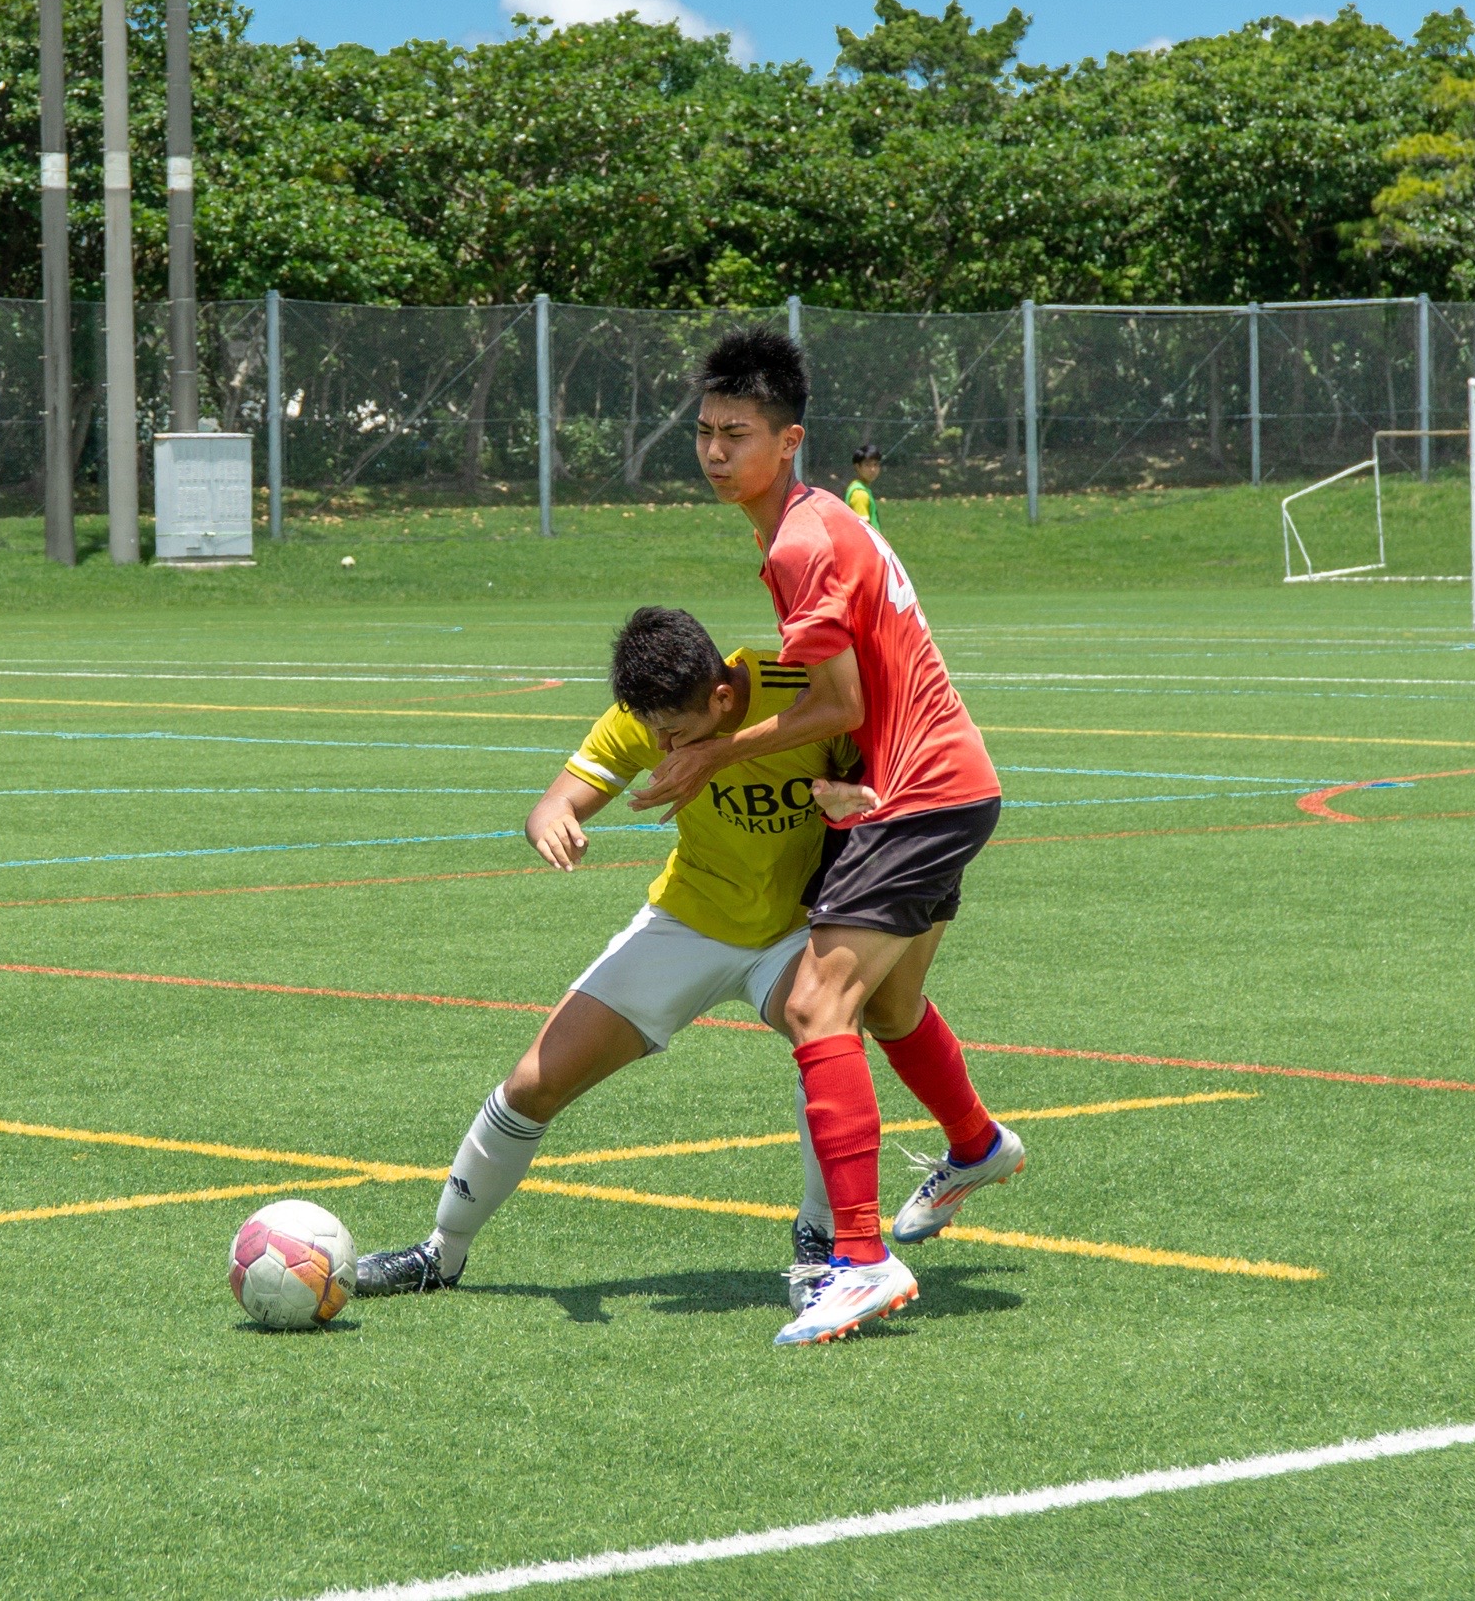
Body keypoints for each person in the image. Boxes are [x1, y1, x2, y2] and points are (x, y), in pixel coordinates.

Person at [631, 327, 1017, 1348]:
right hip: (930, 785)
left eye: (737, 434)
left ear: (788, 440)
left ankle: (857, 1258)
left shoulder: (802, 541)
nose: (716, 452)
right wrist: (834, 778)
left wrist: (716, 754)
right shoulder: (811, 525)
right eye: (704, 432)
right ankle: (975, 1145)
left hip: (921, 793)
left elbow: (836, 699)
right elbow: (853, 701)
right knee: (887, 1005)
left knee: (816, 1003)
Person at [354, 604, 879, 1303]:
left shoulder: (802, 690)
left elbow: (885, 777)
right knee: (533, 1083)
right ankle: (440, 1254)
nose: (660, 747)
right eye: (651, 732)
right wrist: (554, 822)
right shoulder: (643, 720)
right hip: (689, 922)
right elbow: (555, 803)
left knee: (826, 1036)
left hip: (795, 930)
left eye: (675, 734)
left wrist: (851, 799)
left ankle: (821, 1238)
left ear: (723, 698)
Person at [845, 444, 883, 529]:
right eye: (867, 465)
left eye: (876, 464)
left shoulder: (859, 487)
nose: (873, 469)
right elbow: (863, 530)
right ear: (857, 467)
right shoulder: (860, 494)